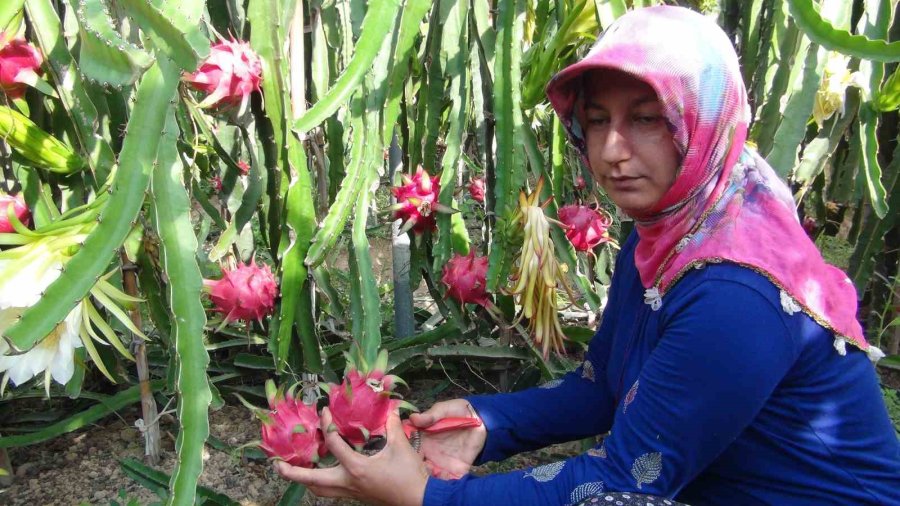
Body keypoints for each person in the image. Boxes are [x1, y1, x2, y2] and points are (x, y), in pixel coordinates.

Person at [276, 6, 900, 505]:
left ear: (701, 121)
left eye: (648, 119)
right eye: (597, 120)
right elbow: (602, 388)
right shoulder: (667, 232)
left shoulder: (736, 292)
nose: (610, 151)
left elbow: (625, 484)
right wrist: (488, 422)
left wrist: (427, 498)